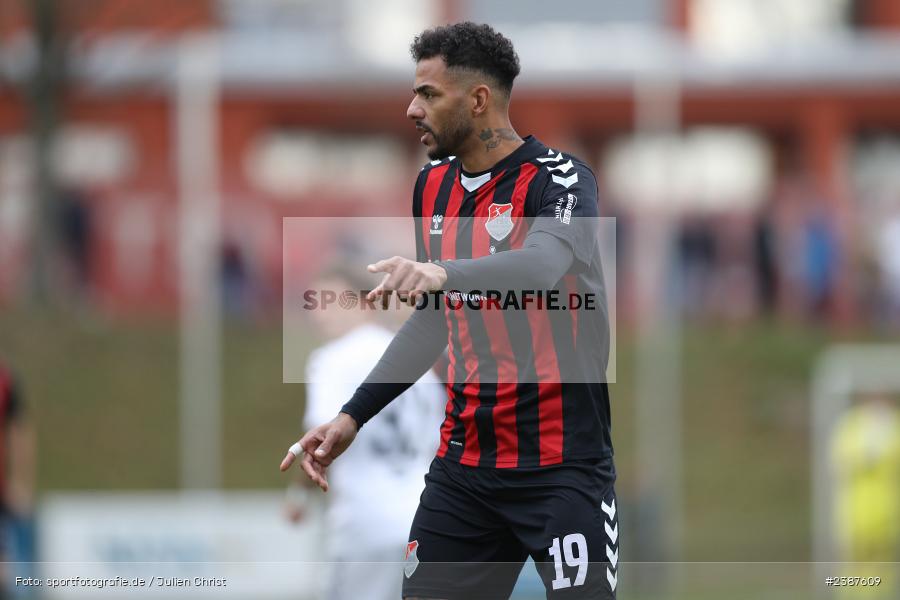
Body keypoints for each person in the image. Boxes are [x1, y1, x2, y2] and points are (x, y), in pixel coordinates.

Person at [281, 22, 618, 599]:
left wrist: (443, 274)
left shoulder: (561, 180)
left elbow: (541, 264)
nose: (412, 108)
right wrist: (352, 416)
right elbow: (439, 318)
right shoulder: (432, 186)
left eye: (429, 94)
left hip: (563, 471)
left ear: (479, 99)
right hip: (465, 470)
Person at [285, 264, 445, 600]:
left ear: (364, 302)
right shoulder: (417, 362)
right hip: (426, 516)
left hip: (366, 521)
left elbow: (318, 441)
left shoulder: (334, 359)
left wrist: (299, 495)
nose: (319, 315)